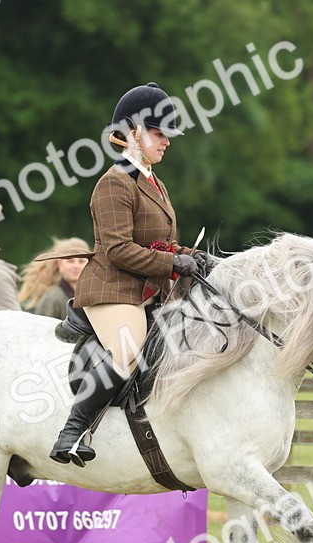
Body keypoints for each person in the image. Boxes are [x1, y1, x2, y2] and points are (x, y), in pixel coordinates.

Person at [50, 82, 202, 466]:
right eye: (158, 132)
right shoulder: (113, 183)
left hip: (148, 291)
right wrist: (172, 264)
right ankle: (73, 430)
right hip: (112, 289)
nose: (166, 141)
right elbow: (117, 249)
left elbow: (160, 244)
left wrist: (196, 258)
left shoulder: (155, 182)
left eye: (168, 134)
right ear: (133, 132)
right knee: (129, 349)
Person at [18, 237, 90, 319]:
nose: (76, 266)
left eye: (81, 261)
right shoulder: (53, 298)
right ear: (59, 264)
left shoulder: (91, 294)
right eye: (70, 261)